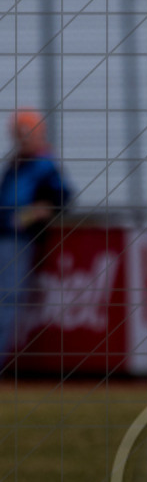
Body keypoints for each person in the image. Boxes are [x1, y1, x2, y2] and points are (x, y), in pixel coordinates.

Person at [0, 109, 73, 369]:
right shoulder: (17, 163)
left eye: (26, 133)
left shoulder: (43, 164)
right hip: (6, 236)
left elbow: (62, 197)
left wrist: (31, 215)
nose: (22, 139)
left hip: (17, 240)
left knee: (6, 300)